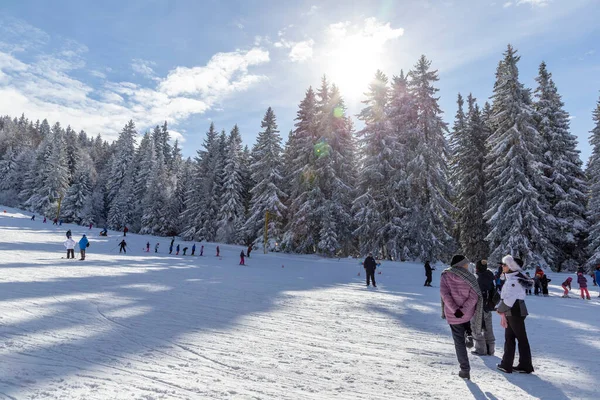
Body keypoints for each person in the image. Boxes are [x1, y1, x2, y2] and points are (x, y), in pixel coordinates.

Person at [440, 254, 483, 380]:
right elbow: (474, 296)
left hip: (453, 314)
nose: (467, 265)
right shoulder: (470, 277)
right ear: (460, 264)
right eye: (466, 263)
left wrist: (455, 310)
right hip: (467, 313)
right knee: (466, 323)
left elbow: (445, 294)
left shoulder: (445, 275)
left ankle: (465, 370)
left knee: (458, 342)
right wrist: (463, 310)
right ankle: (469, 333)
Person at [496, 255, 534, 374]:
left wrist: (499, 309)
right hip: (514, 311)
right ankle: (508, 364)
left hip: (514, 311)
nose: (502, 266)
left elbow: (509, 300)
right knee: (510, 338)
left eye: (505, 264)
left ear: (512, 266)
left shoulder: (514, 281)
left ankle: (523, 365)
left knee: (518, 338)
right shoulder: (512, 279)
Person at [473, 259, 496, 356]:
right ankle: (490, 349)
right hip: (488, 306)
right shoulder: (490, 277)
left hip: (479, 306)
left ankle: (481, 349)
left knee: (476, 327)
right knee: (488, 327)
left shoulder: (478, 279)